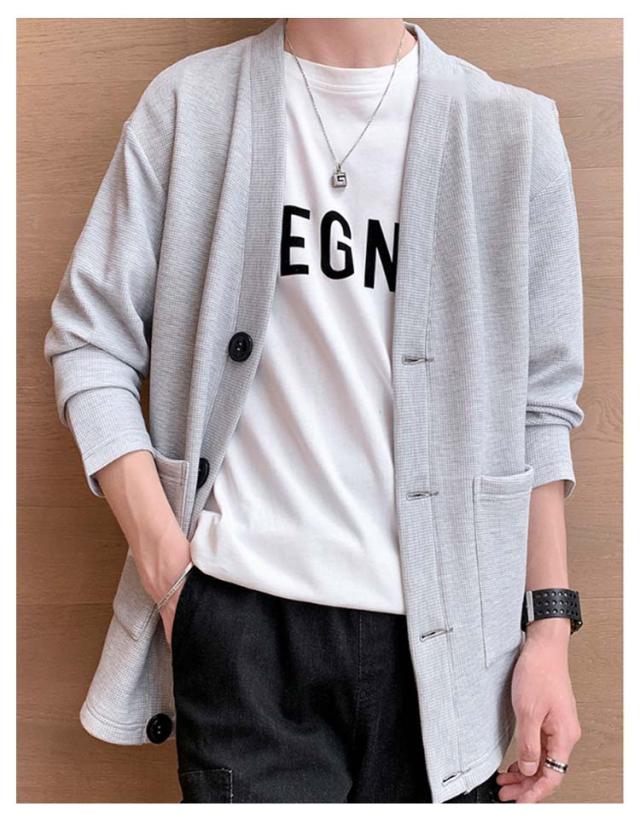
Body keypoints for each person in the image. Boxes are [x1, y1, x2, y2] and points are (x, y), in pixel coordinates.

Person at [43, 18, 585, 804]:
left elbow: (542, 409)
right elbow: (89, 339)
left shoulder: (514, 133)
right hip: (241, 622)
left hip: (452, 651)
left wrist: (549, 631)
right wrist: (168, 574)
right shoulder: (190, 106)